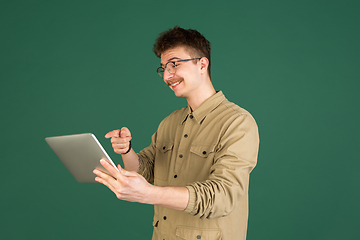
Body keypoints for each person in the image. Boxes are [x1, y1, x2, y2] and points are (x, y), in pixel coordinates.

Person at [93, 26, 259, 240]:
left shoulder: (238, 122)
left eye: (174, 64)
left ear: (202, 64)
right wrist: (126, 150)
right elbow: (145, 171)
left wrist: (150, 194)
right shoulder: (169, 123)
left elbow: (222, 198)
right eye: (163, 68)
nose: (167, 76)